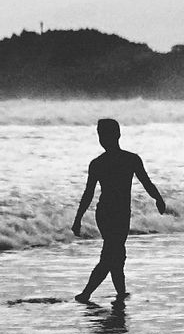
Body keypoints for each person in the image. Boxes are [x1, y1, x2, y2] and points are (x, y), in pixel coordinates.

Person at [72, 119, 167, 303]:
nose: (101, 139)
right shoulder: (110, 162)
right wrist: (78, 218)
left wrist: (158, 198)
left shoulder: (125, 160)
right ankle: (86, 294)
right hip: (108, 214)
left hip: (119, 214)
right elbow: (88, 194)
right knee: (112, 253)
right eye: (100, 135)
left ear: (115, 135)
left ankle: (121, 293)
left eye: (103, 135)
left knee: (117, 253)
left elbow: (146, 182)